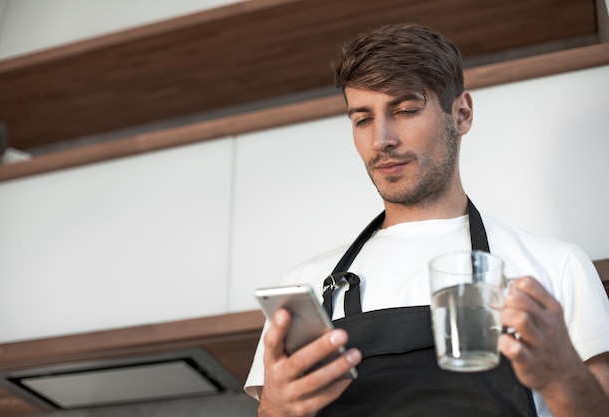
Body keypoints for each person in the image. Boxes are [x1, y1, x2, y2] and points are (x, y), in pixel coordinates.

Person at [244, 22, 609, 417]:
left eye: (404, 110)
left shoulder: (555, 269)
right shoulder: (309, 286)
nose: (381, 138)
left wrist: (561, 380)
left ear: (462, 114)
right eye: (362, 119)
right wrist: (275, 409)